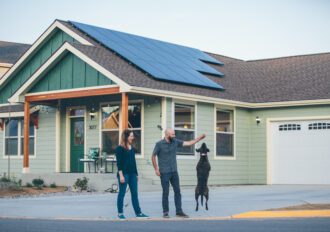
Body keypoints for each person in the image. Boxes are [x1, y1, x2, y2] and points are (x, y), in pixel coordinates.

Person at [152, 128, 206, 218]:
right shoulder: (159, 144)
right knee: (165, 192)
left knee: (177, 191)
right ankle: (165, 212)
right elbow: (153, 156)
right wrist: (156, 169)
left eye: (174, 134)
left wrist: (199, 138)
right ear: (167, 134)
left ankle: (179, 211)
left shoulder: (175, 142)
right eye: (172, 134)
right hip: (164, 172)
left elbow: (189, 143)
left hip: (174, 171)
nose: (174, 136)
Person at [115, 129, 149, 220]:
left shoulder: (132, 148)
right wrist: (121, 175)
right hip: (124, 174)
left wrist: (136, 174)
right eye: (131, 136)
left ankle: (139, 213)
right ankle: (120, 213)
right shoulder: (119, 148)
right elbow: (119, 163)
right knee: (122, 193)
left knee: (135, 194)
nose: (133, 137)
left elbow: (133, 162)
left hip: (132, 174)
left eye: (133, 136)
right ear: (126, 137)